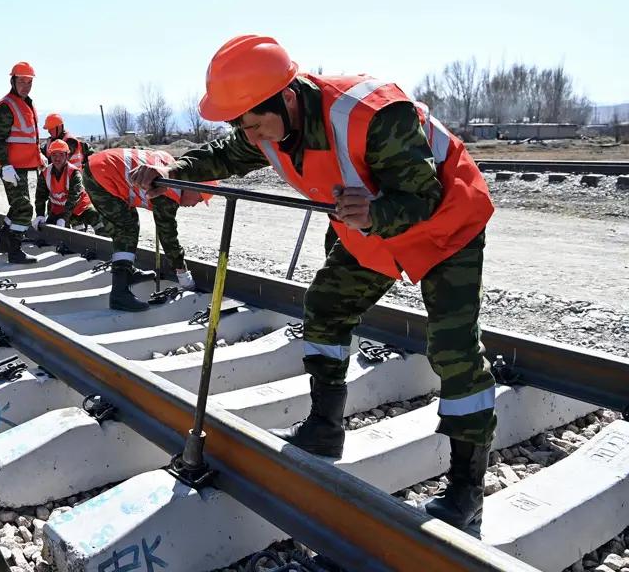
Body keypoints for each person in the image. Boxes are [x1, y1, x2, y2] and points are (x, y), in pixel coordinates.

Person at [129, 35, 496, 530]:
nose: (252, 136)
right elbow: (226, 155)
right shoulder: (266, 127)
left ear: (286, 97)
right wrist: (172, 171)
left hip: (447, 225)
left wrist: (374, 212)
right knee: (325, 308)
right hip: (370, 228)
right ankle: (325, 427)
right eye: (242, 125)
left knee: (452, 348)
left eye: (254, 123)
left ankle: (466, 490)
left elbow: (423, 196)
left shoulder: (370, 113)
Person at [84, 148, 209, 311]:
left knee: (127, 222)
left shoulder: (168, 168)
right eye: (200, 198)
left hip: (99, 168)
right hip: (101, 175)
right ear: (192, 186)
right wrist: (184, 276)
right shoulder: (169, 191)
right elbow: (168, 235)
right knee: (127, 228)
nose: (195, 204)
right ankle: (119, 295)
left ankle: (127, 272)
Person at [0, 62, 40, 263]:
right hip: (11, 168)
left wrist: (39, 155)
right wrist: (6, 165)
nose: (26, 85)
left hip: (22, 166)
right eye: (22, 81)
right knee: (24, 208)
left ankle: (4, 239)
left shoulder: (26, 102)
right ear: (13, 81)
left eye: (29, 82)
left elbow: (27, 136)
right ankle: (15, 250)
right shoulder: (7, 105)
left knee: (17, 206)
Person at [34, 139, 109, 234]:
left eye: (61, 154)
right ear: (50, 156)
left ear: (67, 155)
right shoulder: (45, 173)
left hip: (81, 206)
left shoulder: (74, 173)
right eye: (54, 155)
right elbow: (40, 196)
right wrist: (40, 215)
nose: (57, 158)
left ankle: (105, 241)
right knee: (54, 233)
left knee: (97, 220)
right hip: (59, 209)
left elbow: (74, 197)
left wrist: (64, 218)